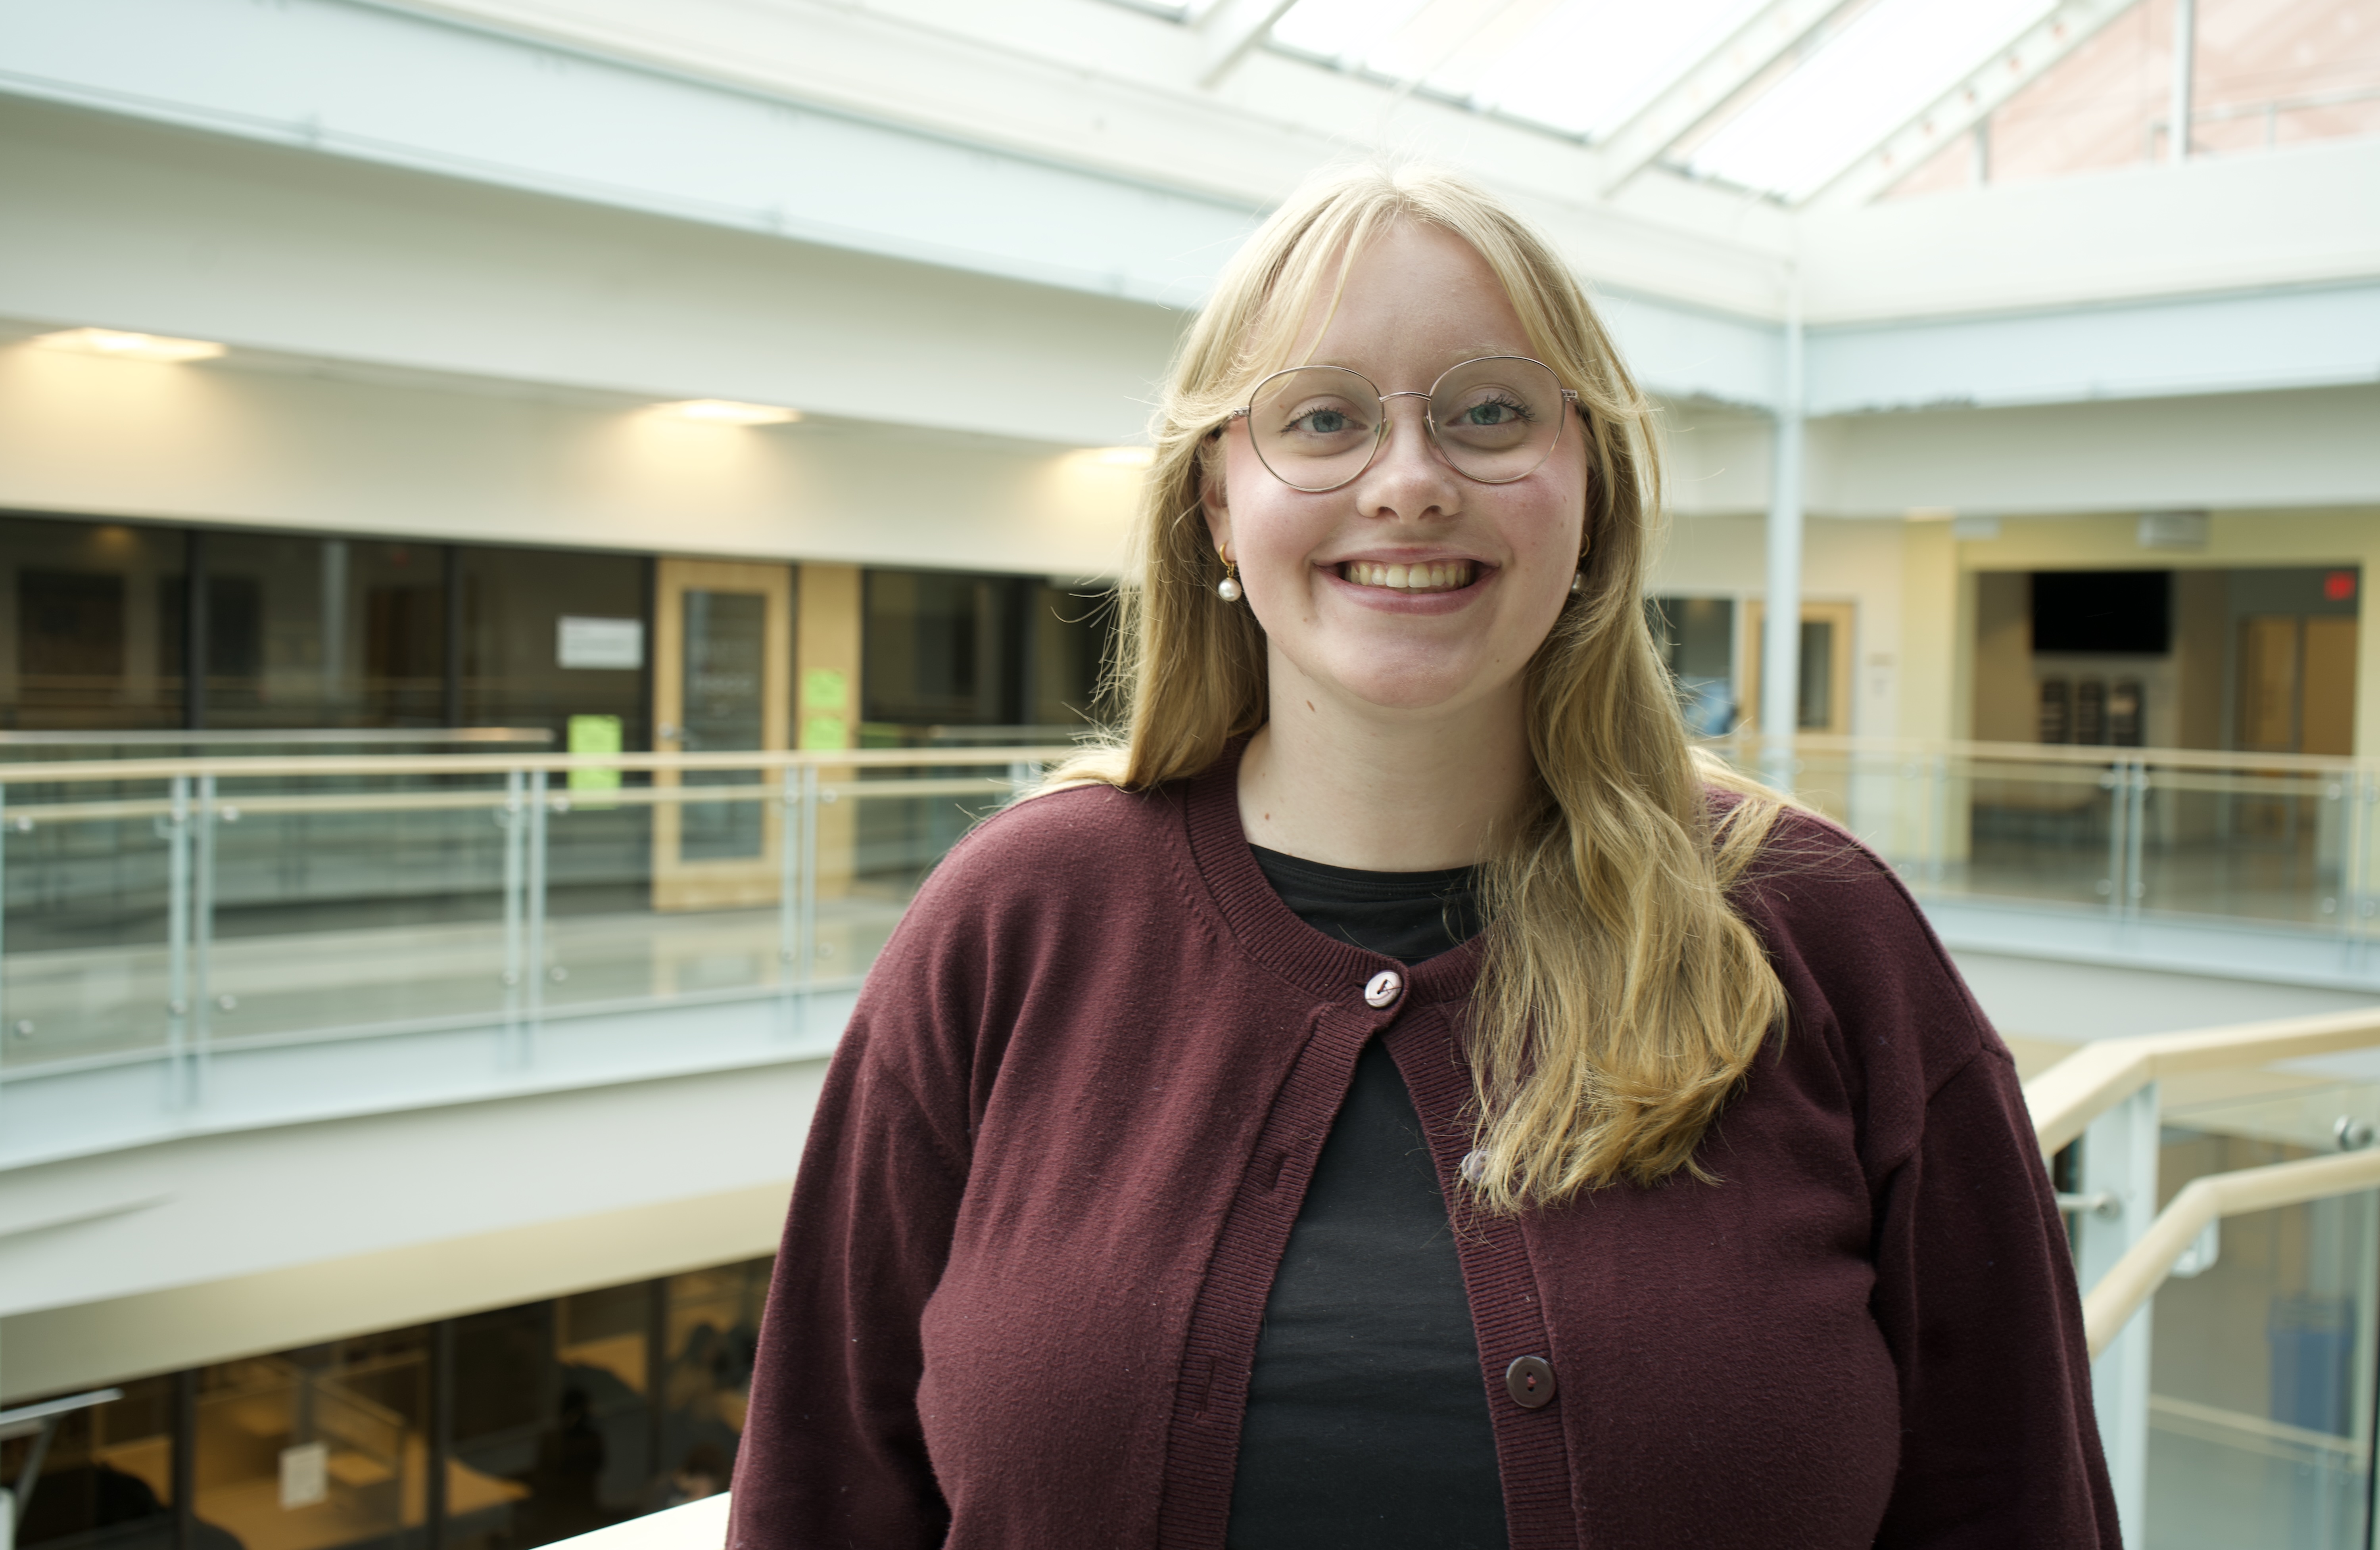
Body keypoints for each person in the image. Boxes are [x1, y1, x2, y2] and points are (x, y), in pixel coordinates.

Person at [727, 163, 2117, 1549]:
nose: (1408, 483)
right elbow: (820, 1496)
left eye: (1491, 413)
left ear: (1591, 496)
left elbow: (2016, 1503)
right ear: (1217, 504)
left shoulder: (1819, 934)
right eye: (1323, 418)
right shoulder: (1015, 926)